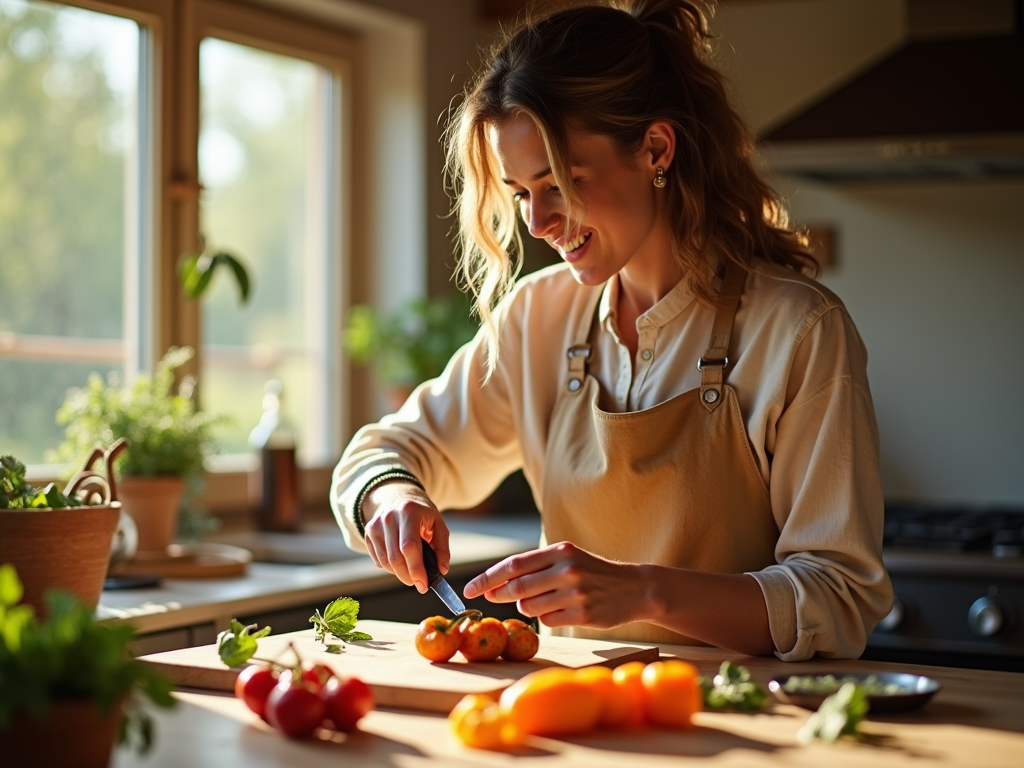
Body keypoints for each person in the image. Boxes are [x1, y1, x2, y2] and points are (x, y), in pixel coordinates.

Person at [332, 0, 892, 660]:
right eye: (519, 193)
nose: (537, 222)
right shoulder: (536, 319)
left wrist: (646, 593)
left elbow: (837, 596)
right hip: (574, 725)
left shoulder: (799, 331)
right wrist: (390, 495)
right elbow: (387, 451)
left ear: (656, 149)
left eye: (561, 182)